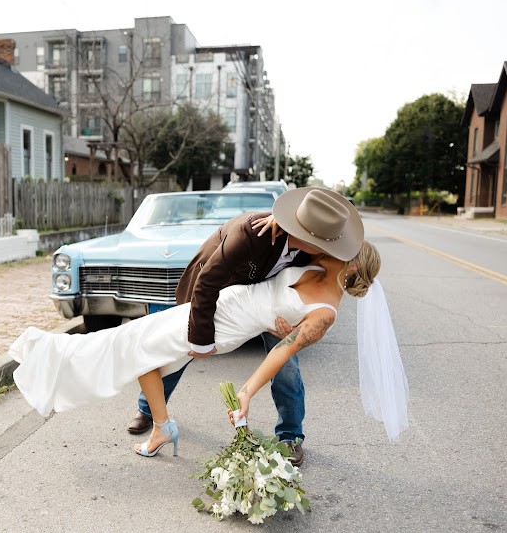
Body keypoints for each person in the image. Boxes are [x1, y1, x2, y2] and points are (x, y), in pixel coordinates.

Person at [9, 188, 408, 456]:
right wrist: (280, 221)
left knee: (129, 345)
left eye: (335, 247)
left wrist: (246, 390)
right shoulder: (309, 256)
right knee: (137, 349)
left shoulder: (323, 302)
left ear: (349, 266)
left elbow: (282, 353)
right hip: (220, 301)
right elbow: (219, 282)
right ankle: (160, 424)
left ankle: (288, 434)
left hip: (229, 325)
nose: (330, 248)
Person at [128, 187, 363, 466]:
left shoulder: (319, 250)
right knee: (182, 347)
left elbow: (352, 256)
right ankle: (149, 410)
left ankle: (290, 435)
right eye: (321, 242)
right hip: (220, 291)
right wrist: (201, 342)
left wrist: (298, 327)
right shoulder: (255, 232)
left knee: (286, 365)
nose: (329, 250)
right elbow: (207, 282)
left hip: (275, 304)